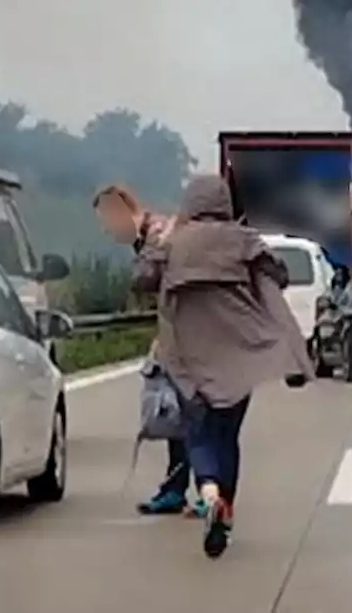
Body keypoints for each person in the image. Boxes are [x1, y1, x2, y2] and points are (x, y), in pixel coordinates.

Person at [129, 173, 313, 558]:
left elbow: (142, 280)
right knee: (227, 434)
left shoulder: (174, 242)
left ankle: (209, 492)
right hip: (236, 356)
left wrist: (158, 243)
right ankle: (223, 508)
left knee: (198, 433)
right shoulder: (243, 240)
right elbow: (277, 275)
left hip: (186, 360)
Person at [92, 183, 205, 518]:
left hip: (193, 337)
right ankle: (176, 488)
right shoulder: (151, 235)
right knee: (176, 415)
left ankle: (205, 489)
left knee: (194, 416)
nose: (108, 230)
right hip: (177, 335)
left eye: (107, 220)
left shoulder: (157, 234)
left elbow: (145, 279)